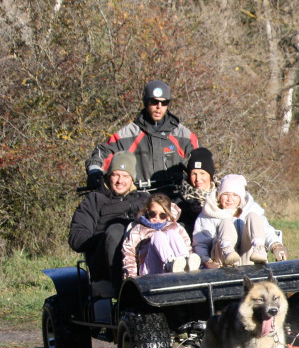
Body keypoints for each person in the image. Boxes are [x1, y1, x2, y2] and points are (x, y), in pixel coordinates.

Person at [83, 80, 199, 193]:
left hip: (176, 199)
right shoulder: (128, 134)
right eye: (154, 102)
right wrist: (95, 171)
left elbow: (201, 163)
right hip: (140, 199)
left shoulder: (183, 135)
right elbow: (102, 152)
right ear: (146, 102)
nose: (159, 107)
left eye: (164, 103)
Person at [67, 152, 150, 284]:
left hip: (141, 261)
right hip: (104, 266)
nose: (120, 181)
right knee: (116, 231)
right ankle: (122, 289)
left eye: (125, 176)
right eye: (115, 175)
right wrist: (105, 239)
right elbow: (76, 238)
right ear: (109, 175)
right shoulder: (94, 200)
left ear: (132, 179)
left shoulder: (144, 199)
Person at [192, 174, 287, 268]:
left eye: (235, 195)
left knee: (253, 217)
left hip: (248, 258)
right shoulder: (209, 213)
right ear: (219, 196)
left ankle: (259, 249)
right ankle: (228, 250)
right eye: (225, 194)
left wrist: (276, 245)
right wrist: (206, 260)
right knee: (225, 222)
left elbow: (266, 230)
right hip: (222, 261)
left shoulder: (251, 209)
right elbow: (200, 243)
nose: (229, 199)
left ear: (240, 198)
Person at [121, 194, 200, 277]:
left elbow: (187, 247)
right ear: (147, 212)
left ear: (168, 215)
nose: (156, 218)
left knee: (171, 233)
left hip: (178, 267)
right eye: (152, 214)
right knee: (158, 235)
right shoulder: (138, 229)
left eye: (162, 215)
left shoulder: (176, 227)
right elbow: (129, 254)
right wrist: (131, 278)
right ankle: (170, 264)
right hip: (149, 271)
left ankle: (186, 262)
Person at [178, 147, 217, 234]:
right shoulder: (180, 202)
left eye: (202, 173)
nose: (198, 179)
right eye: (194, 174)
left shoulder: (222, 197)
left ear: (210, 175)